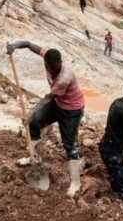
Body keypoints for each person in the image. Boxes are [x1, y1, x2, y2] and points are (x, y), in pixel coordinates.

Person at [6, 40, 86, 196]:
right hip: (58, 103)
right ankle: (35, 158)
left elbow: (47, 98)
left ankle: (76, 182)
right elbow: (29, 44)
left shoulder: (64, 77)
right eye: (49, 68)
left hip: (72, 110)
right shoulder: (48, 55)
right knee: (34, 124)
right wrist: (15, 46)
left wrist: (31, 112)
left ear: (59, 64)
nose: (51, 71)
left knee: (70, 146)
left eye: (54, 69)